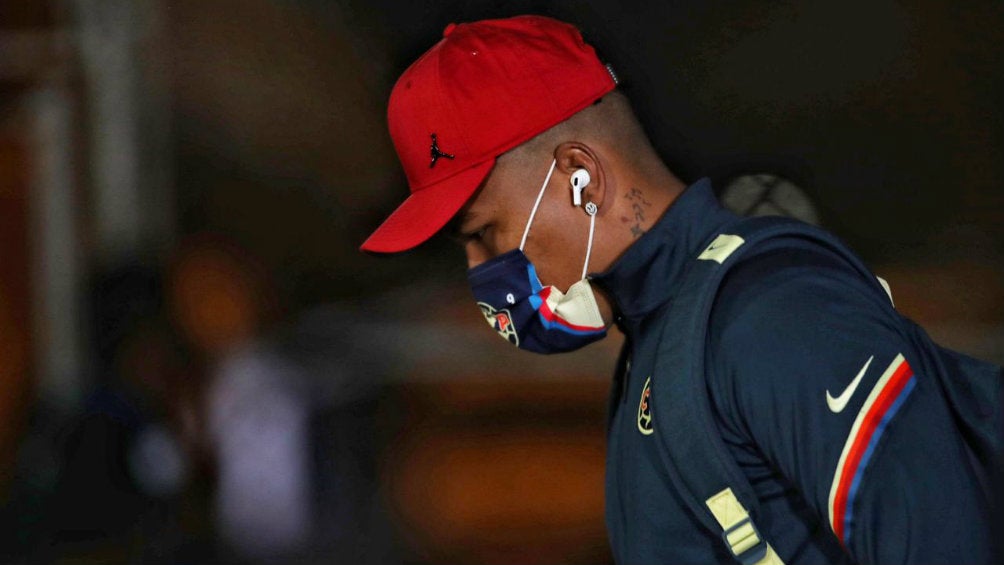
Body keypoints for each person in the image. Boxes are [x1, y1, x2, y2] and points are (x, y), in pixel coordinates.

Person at [360, 15, 1003, 565]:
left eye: (486, 233)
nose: (481, 272)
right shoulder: (664, 334)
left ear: (580, 176)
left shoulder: (770, 313)